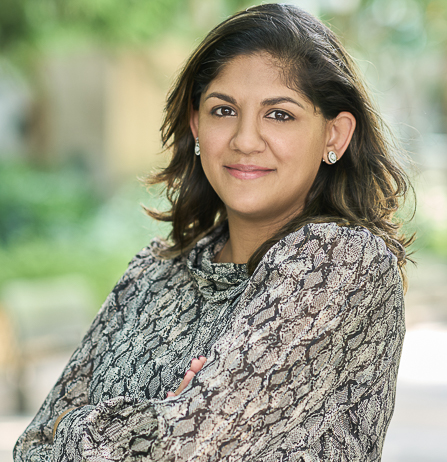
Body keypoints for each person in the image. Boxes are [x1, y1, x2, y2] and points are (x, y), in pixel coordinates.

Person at [14, 3, 414, 461]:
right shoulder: (152, 273)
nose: (245, 140)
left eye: (279, 115)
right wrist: (163, 417)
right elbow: (30, 448)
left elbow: (191, 448)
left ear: (334, 135)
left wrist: (72, 426)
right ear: (196, 124)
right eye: (224, 110)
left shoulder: (343, 262)